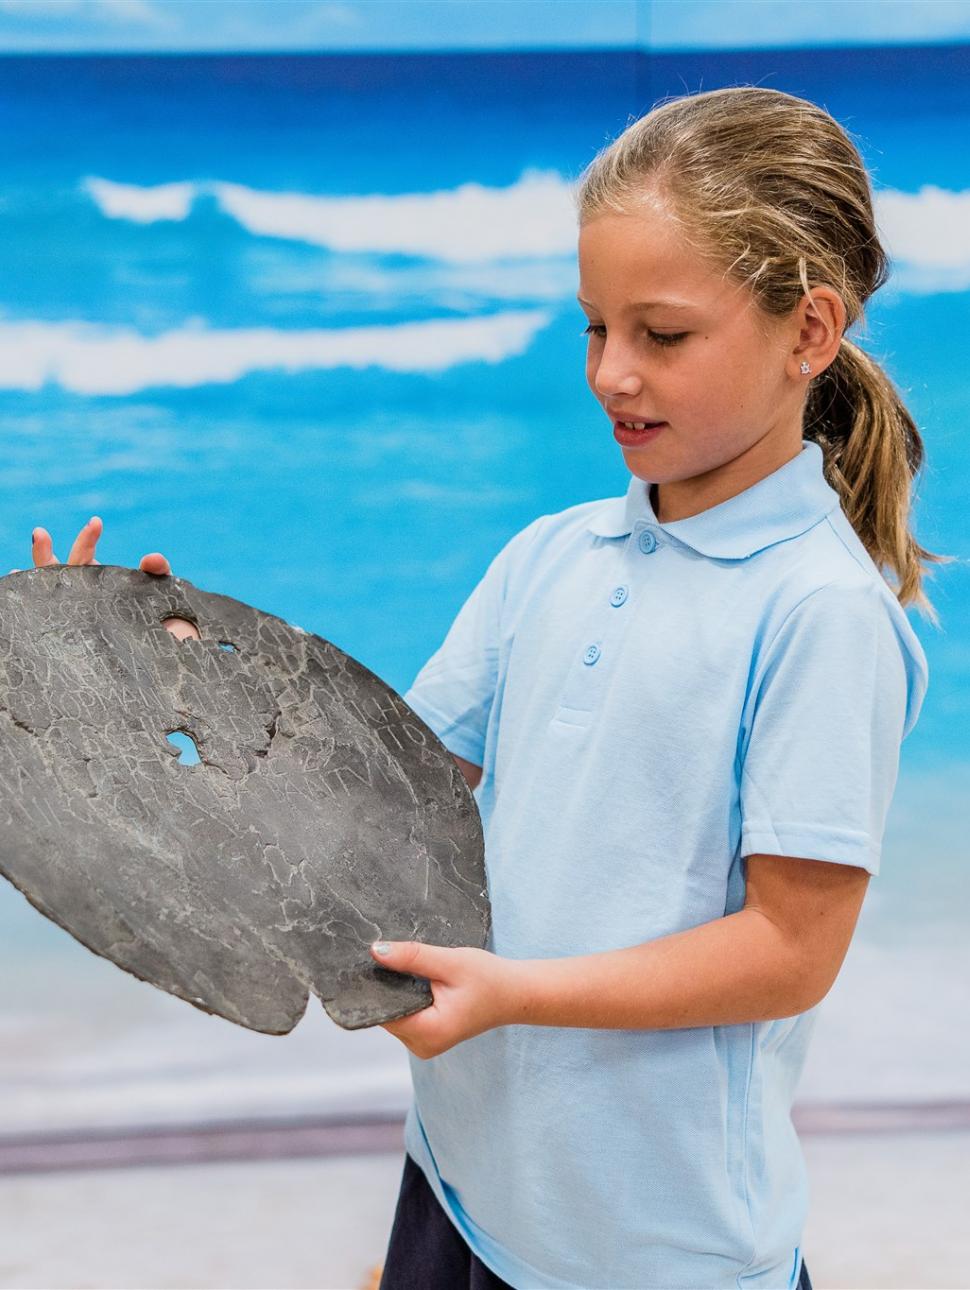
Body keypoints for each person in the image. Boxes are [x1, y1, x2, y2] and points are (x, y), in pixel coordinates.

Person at [27, 85, 947, 1289]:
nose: (612, 374)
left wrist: (515, 994)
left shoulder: (817, 615)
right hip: (462, 1185)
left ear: (809, 331)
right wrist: (141, 673)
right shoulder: (551, 558)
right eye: (592, 329)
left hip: (648, 1245)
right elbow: (370, 795)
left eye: (661, 335)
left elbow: (788, 950)